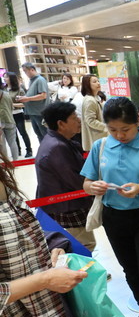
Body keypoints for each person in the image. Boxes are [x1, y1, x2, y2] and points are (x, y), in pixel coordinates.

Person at [0, 151, 87, 317]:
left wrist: (50, 247)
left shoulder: (3, 176)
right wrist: (45, 280)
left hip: (42, 316)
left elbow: (18, 225)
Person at [81, 97, 139, 317]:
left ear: (138, 122)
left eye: (125, 129)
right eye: (113, 129)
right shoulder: (101, 146)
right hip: (114, 217)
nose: (119, 135)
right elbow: (87, 181)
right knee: (129, 267)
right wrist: (92, 187)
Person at [36, 102, 96, 250]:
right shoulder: (57, 147)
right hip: (68, 206)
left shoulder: (56, 140)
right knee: (83, 244)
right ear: (61, 124)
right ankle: (83, 272)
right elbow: (76, 180)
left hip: (62, 204)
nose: (79, 121)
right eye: (75, 118)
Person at [16, 62, 49, 142]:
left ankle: (49, 153)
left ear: (32, 69)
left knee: (45, 135)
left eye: (25, 71)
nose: (25, 73)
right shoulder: (31, 81)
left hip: (40, 112)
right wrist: (24, 98)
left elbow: (43, 95)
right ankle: (43, 152)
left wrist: (27, 98)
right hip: (33, 112)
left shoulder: (40, 80)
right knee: (39, 134)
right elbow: (32, 95)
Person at [4, 72, 32, 158]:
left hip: (18, 114)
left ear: (11, 78)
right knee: (13, 134)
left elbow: (24, 104)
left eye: (6, 77)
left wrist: (12, 105)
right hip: (8, 115)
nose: (4, 79)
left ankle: (29, 150)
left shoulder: (19, 90)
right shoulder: (3, 89)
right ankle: (17, 150)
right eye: (4, 77)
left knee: (23, 132)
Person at [80, 74, 107, 151]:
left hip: (97, 138)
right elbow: (90, 121)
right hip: (96, 138)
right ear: (87, 85)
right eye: (94, 82)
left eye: (98, 81)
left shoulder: (93, 98)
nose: (98, 83)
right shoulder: (90, 100)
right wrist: (106, 127)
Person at [0, 82, 18, 160]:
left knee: (2, 143)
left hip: (0, 122)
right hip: (10, 120)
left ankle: (6, 162)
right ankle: (15, 160)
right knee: (12, 142)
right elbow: (11, 107)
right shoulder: (6, 94)